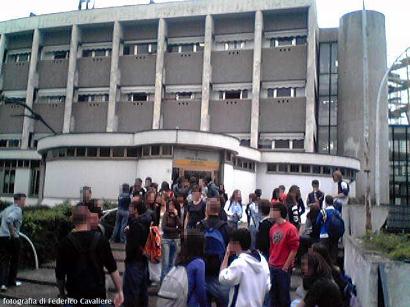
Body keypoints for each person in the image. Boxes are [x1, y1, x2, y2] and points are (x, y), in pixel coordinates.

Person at [55, 205, 123, 306]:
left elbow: (60, 275)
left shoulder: (64, 243)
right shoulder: (101, 240)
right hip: (97, 297)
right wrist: (119, 291)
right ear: (88, 219)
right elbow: (112, 269)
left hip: (74, 298)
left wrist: (62, 294)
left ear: (72, 219)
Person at [219, 228, 270, 307]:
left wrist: (227, 255)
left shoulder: (239, 263)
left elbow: (223, 278)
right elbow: (267, 287)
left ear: (236, 243)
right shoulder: (263, 260)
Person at [196, 198, 231, 307]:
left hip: (203, 271)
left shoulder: (200, 226)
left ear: (207, 209)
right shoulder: (226, 228)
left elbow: (195, 248)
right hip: (220, 272)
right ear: (219, 210)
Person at [269, 202, 300, 307]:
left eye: (274, 210)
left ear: (279, 212)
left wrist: (286, 266)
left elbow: (294, 249)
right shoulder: (272, 228)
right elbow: (272, 246)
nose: (272, 212)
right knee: (273, 297)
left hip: (283, 268)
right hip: (273, 266)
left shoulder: (290, 228)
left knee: (283, 297)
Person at [123, 200, 152, 306]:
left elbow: (133, 244)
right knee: (142, 292)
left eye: (131, 207)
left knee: (131, 293)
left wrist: (129, 233)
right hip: (143, 260)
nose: (129, 209)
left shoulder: (135, 224)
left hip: (134, 261)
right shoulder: (146, 220)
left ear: (136, 210)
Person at [0, 193, 26, 291]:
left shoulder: (7, 208)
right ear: (18, 200)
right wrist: (13, 234)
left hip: (2, 237)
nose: (24, 203)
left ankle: (3, 284)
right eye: (23, 200)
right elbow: (9, 219)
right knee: (15, 260)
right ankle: (12, 281)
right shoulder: (18, 209)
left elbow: (1, 216)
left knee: (4, 261)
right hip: (11, 238)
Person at [175, 230, 207, 307]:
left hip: (178, 300)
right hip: (192, 302)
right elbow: (201, 290)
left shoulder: (180, 259)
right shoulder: (199, 263)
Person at [161, 198, 182, 282]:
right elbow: (164, 228)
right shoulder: (166, 214)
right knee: (165, 262)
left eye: (172, 205)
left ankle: (170, 282)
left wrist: (176, 215)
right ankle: (163, 281)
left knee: (173, 263)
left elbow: (180, 226)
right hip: (166, 239)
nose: (171, 207)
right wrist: (175, 229)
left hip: (175, 240)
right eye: (169, 205)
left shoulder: (178, 214)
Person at [316, 195, 340, 264]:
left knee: (323, 256)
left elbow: (317, 223)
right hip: (335, 236)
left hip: (324, 235)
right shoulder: (337, 212)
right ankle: (332, 270)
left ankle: (324, 271)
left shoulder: (323, 212)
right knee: (333, 256)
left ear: (325, 202)